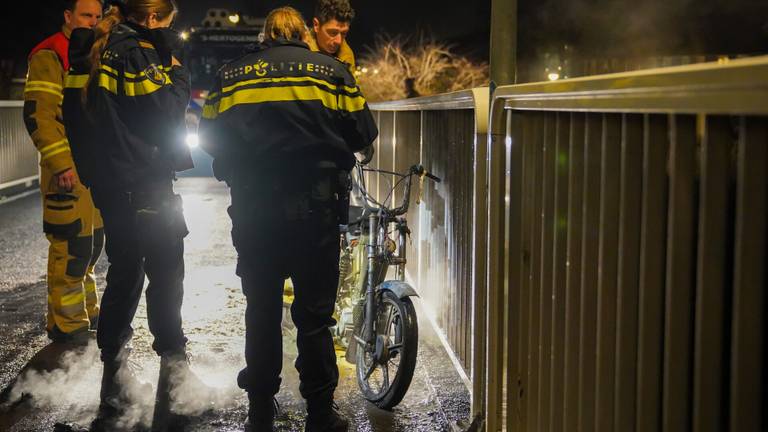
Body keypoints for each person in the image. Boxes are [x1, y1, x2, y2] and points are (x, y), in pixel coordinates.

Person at [199, 6, 378, 431]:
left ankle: (260, 408)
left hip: (255, 213)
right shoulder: (331, 72)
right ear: (303, 33)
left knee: (260, 310)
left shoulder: (232, 75)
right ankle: (319, 413)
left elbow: (207, 136)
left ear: (265, 35)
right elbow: (363, 133)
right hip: (314, 216)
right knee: (314, 317)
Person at [61, 0, 197, 428]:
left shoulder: (91, 51)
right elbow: (164, 114)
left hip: (110, 184)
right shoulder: (134, 53)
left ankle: (113, 383)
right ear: (153, 17)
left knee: (123, 273)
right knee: (165, 274)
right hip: (145, 181)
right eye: (167, 23)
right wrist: (177, 71)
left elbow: (75, 117)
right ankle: (175, 382)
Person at [23, 0, 104, 345]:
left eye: (98, 17)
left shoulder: (92, 52)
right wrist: (61, 165)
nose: (94, 22)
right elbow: (39, 116)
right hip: (67, 170)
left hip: (91, 169)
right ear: (68, 17)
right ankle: (65, 325)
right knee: (70, 247)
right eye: (87, 15)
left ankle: (86, 312)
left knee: (91, 244)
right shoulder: (50, 54)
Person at [307, 0, 356, 73]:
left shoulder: (347, 58)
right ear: (316, 25)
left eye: (343, 33)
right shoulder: (299, 50)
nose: (338, 41)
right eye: (333, 33)